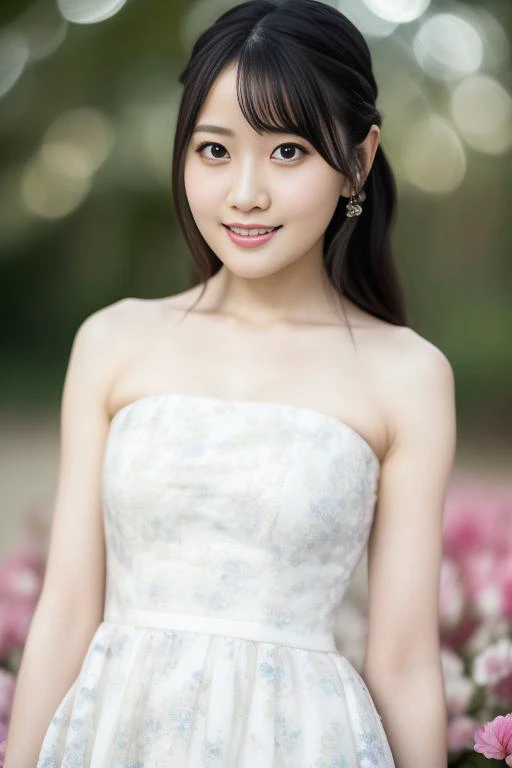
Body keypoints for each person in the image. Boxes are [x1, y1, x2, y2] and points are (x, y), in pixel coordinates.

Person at [4, 1, 455, 766]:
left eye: (287, 152)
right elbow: (69, 608)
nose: (245, 192)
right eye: (215, 150)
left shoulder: (407, 375)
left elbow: (405, 662)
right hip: (118, 735)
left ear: (359, 157)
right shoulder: (114, 341)